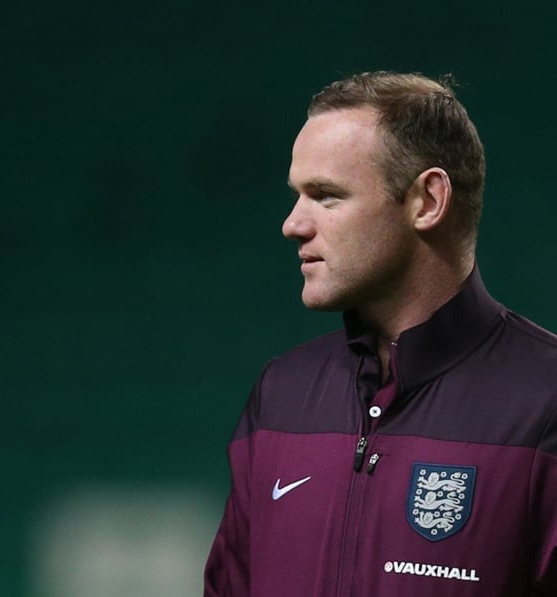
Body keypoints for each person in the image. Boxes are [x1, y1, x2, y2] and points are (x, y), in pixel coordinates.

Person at [203, 71, 557, 595]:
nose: (292, 224)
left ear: (427, 201)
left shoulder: (545, 400)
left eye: (325, 195)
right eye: (298, 194)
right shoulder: (283, 392)